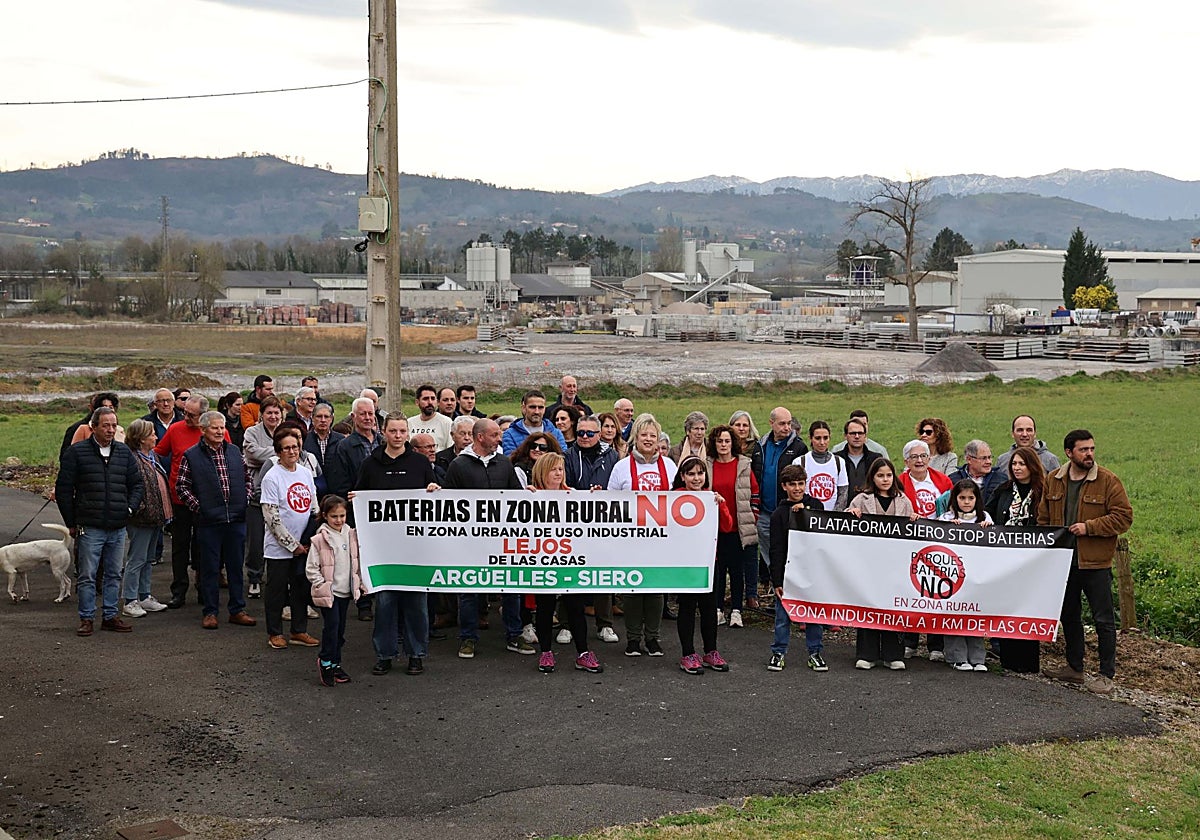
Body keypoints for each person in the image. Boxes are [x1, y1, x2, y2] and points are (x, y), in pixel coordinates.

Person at [1038, 430, 1132, 695]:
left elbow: (1124, 518)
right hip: (1064, 562)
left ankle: (1106, 675)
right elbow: (1044, 519)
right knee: (1069, 616)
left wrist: (1089, 527)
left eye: (1092, 448)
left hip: (1096, 563)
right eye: (1083, 450)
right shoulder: (1053, 480)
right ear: (1069, 453)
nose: (1089, 454)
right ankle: (1074, 668)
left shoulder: (1108, 481)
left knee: (1103, 620)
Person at [355, 415, 439, 676]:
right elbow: (360, 498)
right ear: (384, 432)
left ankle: (416, 654)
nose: (398, 435)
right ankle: (385, 654)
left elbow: (434, 496)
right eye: (393, 430)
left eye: (403, 431)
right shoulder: (370, 464)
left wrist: (435, 489)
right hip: (383, 550)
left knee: (416, 604)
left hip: (415, 548)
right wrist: (355, 500)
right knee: (386, 604)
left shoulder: (420, 462)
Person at [444, 418, 535, 659]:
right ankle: (467, 638)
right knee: (469, 590)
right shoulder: (458, 466)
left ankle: (514, 634)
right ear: (480, 437)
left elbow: (516, 497)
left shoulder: (504, 464)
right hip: (470, 541)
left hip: (503, 540)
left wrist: (529, 495)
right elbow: (447, 505)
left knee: (511, 588)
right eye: (495, 435)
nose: (500, 438)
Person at [56, 406, 144, 636]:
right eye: (105, 425)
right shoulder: (77, 453)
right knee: (87, 575)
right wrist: (71, 522)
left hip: (117, 524)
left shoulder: (123, 453)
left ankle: (110, 615)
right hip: (90, 525)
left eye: (114, 425)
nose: (110, 430)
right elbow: (64, 489)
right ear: (93, 427)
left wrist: (129, 508)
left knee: (114, 573)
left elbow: (137, 484)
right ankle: (86, 618)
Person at [174, 411, 257, 630]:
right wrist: (201, 509)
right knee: (209, 569)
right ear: (203, 430)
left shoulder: (234, 451)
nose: (220, 431)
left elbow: (248, 480)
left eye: (222, 428)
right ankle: (210, 611)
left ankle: (237, 609)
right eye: (215, 428)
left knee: (236, 568)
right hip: (209, 522)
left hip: (236, 520)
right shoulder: (191, 455)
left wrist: (244, 500)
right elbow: (182, 487)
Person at [607, 413, 678, 657]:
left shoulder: (669, 466)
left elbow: (680, 499)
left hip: (660, 537)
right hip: (630, 537)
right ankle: (633, 638)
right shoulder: (621, 467)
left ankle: (653, 638)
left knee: (655, 588)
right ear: (635, 437)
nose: (648, 439)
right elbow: (611, 503)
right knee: (633, 587)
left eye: (653, 435)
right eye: (643, 434)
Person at [528, 453, 604, 674]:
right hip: (543, 561)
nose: (559, 473)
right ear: (543, 472)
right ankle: (546, 652)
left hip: (570, 561)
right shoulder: (531, 496)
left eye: (561, 468)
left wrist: (595, 498)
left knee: (575, 607)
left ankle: (583, 653)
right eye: (554, 469)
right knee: (545, 607)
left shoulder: (572, 495)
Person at [155, 394, 228, 609]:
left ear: (203, 416)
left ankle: (204, 588)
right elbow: (158, 452)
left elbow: (227, 456)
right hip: (180, 500)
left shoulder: (215, 431)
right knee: (180, 546)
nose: (185, 417)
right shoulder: (176, 429)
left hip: (207, 501)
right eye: (185, 412)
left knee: (204, 547)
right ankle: (178, 590)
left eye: (192, 415)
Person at [846, 458, 915, 670]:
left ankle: (893, 654)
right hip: (869, 564)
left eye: (888, 475)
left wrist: (914, 520)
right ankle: (867, 654)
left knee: (893, 606)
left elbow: (913, 534)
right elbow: (845, 527)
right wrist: (851, 514)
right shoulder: (861, 499)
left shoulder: (904, 501)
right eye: (880, 475)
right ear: (872, 478)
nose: (885, 479)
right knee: (868, 605)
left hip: (895, 565)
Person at [985, 445, 1048, 673]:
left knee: (1028, 607)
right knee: (1007, 606)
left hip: (1033, 561)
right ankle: (1008, 660)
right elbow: (986, 513)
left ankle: (1029, 662)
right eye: (1014, 464)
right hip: (1004, 559)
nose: (1018, 468)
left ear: (1032, 466)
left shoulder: (1043, 491)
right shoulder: (1004, 490)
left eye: (1022, 463)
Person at [562, 414, 621, 644]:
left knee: (602, 575)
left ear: (599, 434)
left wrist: (602, 491)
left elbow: (616, 488)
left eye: (589, 433)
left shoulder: (612, 456)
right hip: (573, 522)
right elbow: (562, 484)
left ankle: (604, 624)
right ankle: (567, 624)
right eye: (580, 433)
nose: (584, 437)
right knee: (569, 575)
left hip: (602, 523)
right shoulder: (567, 455)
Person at [260, 428, 320, 651]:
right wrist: (291, 545)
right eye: (287, 448)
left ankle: (298, 630)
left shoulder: (305, 473)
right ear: (278, 451)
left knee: (301, 589)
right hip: (279, 548)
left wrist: (308, 539)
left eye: (295, 446)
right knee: (276, 591)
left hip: (304, 545)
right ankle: (275, 632)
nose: (292, 451)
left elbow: (313, 506)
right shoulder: (272, 477)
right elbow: (271, 517)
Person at [323, 397, 381, 621]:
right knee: (360, 556)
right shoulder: (344, 447)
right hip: (358, 511)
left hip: (383, 513)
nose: (367, 418)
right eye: (363, 414)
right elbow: (339, 482)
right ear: (354, 416)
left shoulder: (382, 442)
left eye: (371, 414)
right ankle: (363, 602)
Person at [673, 456, 732, 674]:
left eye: (700, 473)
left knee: (709, 607)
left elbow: (726, 527)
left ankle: (710, 651)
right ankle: (687, 653)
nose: (696, 478)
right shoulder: (673, 498)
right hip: (684, 563)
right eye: (691, 474)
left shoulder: (711, 497)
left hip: (708, 561)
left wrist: (722, 505)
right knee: (687, 607)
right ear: (683, 476)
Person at [766, 463, 826, 672]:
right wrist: (777, 580)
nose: (797, 488)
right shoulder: (778, 515)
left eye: (801, 484)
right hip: (789, 572)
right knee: (783, 617)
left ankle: (815, 652)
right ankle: (778, 652)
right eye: (792, 484)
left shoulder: (817, 506)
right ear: (784, 486)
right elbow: (776, 550)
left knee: (813, 615)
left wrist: (804, 512)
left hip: (813, 572)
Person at [897, 438, 952, 660]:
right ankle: (909, 642)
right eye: (914, 457)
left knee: (936, 591)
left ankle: (936, 645)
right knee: (911, 592)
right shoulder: (899, 482)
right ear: (906, 461)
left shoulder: (943, 481)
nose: (919, 461)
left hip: (939, 544)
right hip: (910, 544)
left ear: (930, 459)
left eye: (923, 456)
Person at [752, 407, 808, 613]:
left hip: (786, 512)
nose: (787, 427)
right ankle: (778, 592)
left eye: (789, 423)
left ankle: (792, 599)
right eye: (782, 423)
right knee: (770, 554)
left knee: (788, 554)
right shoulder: (760, 446)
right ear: (771, 423)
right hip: (765, 511)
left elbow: (801, 481)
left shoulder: (799, 447)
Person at [307, 495, 367, 687]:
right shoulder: (320, 539)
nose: (339, 520)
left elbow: (356, 561)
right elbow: (311, 567)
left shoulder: (351, 534)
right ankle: (325, 662)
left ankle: (335, 663)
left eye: (342, 515)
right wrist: (322, 585)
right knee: (331, 628)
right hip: (330, 593)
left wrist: (359, 584)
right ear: (325, 516)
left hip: (345, 592)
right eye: (334, 516)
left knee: (340, 630)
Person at [938, 479, 993, 672]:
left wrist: (988, 528)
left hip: (977, 575)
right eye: (962, 498)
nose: (967, 502)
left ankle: (978, 658)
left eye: (971, 498)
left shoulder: (984, 517)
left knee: (975, 615)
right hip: (953, 576)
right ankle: (956, 656)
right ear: (955, 499)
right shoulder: (946, 518)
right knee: (954, 614)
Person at [707, 424, 759, 628]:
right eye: (719, 441)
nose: (723, 445)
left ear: (733, 443)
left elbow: (754, 493)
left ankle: (737, 610)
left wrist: (752, 516)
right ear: (714, 443)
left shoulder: (744, 464)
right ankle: (718, 609)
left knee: (738, 571)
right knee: (718, 570)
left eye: (727, 441)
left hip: (738, 527)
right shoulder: (707, 464)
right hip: (714, 529)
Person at [121, 419, 171, 618]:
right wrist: (138, 509)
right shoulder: (132, 459)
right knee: (137, 559)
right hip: (141, 518)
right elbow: (131, 487)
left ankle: (144, 596)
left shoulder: (152, 456)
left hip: (155, 517)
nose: (156, 437)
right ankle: (130, 600)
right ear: (141, 439)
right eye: (151, 434)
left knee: (148, 559)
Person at [242, 395, 285, 599]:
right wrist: (280, 453)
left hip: (282, 494)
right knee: (256, 540)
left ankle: (278, 580)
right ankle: (254, 578)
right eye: (269, 412)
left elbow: (297, 453)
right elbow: (252, 455)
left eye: (277, 412)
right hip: (256, 494)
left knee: (280, 537)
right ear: (262, 415)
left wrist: (269, 453)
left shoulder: (286, 431)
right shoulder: (252, 432)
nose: (273, 416)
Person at [938, 439, 1004, 515]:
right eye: (983, 458)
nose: (989, 462)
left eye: (989, 457)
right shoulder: (953, 480)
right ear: (969, 459)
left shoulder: (1001, 479)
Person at [794, 420, 848, 512]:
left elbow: (843, 492)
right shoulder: (800, 462)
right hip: (807, 517)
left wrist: (834, 515)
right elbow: (794, 491)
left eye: (825, 438)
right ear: (810, 438)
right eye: (818, 438)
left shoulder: (839, 462)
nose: (822, 442)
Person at [501, 389, 567, 455]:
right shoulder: (510, 434)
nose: (536, 412)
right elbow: (510, 460)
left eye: (540, 407)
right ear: (524, 408)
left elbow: (563, 458)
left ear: (544, 409)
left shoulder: (556, 433)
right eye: (532, 407)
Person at [995, 414, 1061, 475]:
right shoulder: (1003, 460)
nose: (1024, 434)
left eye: (1029, 430)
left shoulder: (1050, 460)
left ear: (1035, 433)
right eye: (1020, 430)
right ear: (1012, 433)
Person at [304, 403, 345, 491]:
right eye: (319, 416)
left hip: (336, 491)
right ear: (312, 418)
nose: (323, 420)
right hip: (313, 489)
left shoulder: (341, 440)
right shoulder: (304, 440)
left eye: (326, 417)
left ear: (331, 419)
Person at [841, 417, 884, 498]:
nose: (857, 436)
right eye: (853, 433)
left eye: (860, 433)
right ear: (845, 436)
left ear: (865, 436)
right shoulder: (837, 459)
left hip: (868, 507)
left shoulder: (876, 459)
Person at [408, 384, 452, 450]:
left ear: (437, 402)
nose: (430, 402)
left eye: (433, 398)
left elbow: (451, 448)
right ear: (417, 402)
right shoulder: (409, 423)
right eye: (425, 399)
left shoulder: (446, 422)